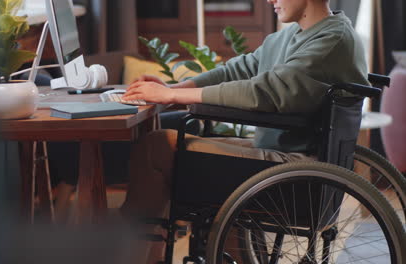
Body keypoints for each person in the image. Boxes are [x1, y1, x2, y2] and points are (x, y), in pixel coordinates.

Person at [120, 0, 369, 263]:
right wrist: (176, 90)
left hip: (297, 172)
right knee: (163, 145)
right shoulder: (294, 36)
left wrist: (173, 95)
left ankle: (131, 248)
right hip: (280, 157)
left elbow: (263, 92)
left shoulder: (331, 41)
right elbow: (238, 69)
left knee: (158, 147)